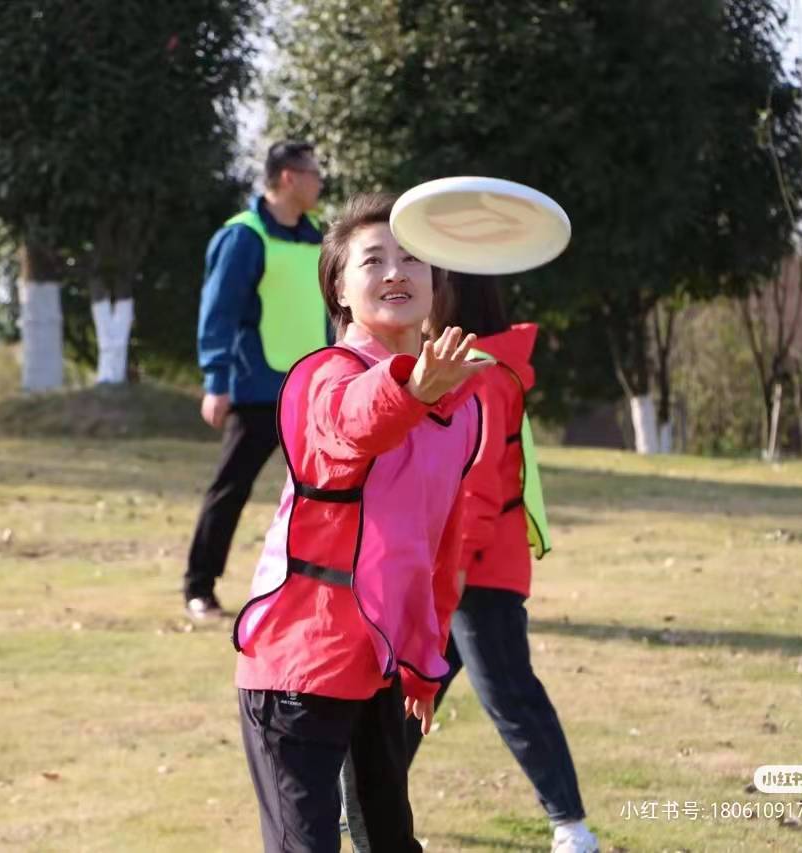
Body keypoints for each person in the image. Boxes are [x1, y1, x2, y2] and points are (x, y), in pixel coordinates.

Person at [234, 193, 491, 852]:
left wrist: (426, 663)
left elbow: (439, 548)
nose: (396, 272)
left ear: (435, 282)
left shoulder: (459, 407)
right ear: (340, 292)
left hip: (378, 664)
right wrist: (412, 389)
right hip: (298, 663)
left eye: (412, 258)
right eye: (373, 260)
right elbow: (354, 424)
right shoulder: (326, 378)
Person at [397, 273, 599, 853]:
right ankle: (361, 803)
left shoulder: (480, 374)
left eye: (427, 282)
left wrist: (454, 571)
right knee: (411, 690)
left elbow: (479, 485)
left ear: (451, 297)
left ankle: (570, 824)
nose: (414, 293)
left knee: (507, 693)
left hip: (477, 571)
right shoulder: (474, 367)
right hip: (454, 565)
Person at [185, 140, 328, 622]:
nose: (319, 182)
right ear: (288, 177)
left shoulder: (318, 238)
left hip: (314, 390)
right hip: (257, 389)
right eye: (313, 173)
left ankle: (315, 591)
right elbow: (219, 312)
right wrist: (216, 379)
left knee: (324, 496)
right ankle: (199, 587)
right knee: (231, 490)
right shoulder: (243, 237)